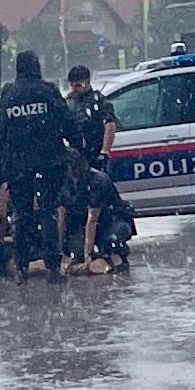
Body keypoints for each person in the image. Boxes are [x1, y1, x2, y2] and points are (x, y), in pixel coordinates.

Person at [0, 51, 80, 281]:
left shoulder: (8, 94)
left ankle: (21, 267)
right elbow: (67, 122)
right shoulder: (48, 91)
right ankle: (53, 268)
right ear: (37, 67)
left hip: (18, 166)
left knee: (22, 215)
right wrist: (77, 145)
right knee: (48, 213)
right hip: (49, 162)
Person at [61, 66, 131, 274]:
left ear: (88, 82)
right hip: (76, 160)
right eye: (73, 85)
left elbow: (109, 126)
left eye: (79, 85)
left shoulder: (98, 102)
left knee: (100, 205)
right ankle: (85, 246)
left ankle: (103, 244)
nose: (75, 89)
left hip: (95, 158)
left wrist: (104, 151)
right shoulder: (68, 103)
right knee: (78, 205)